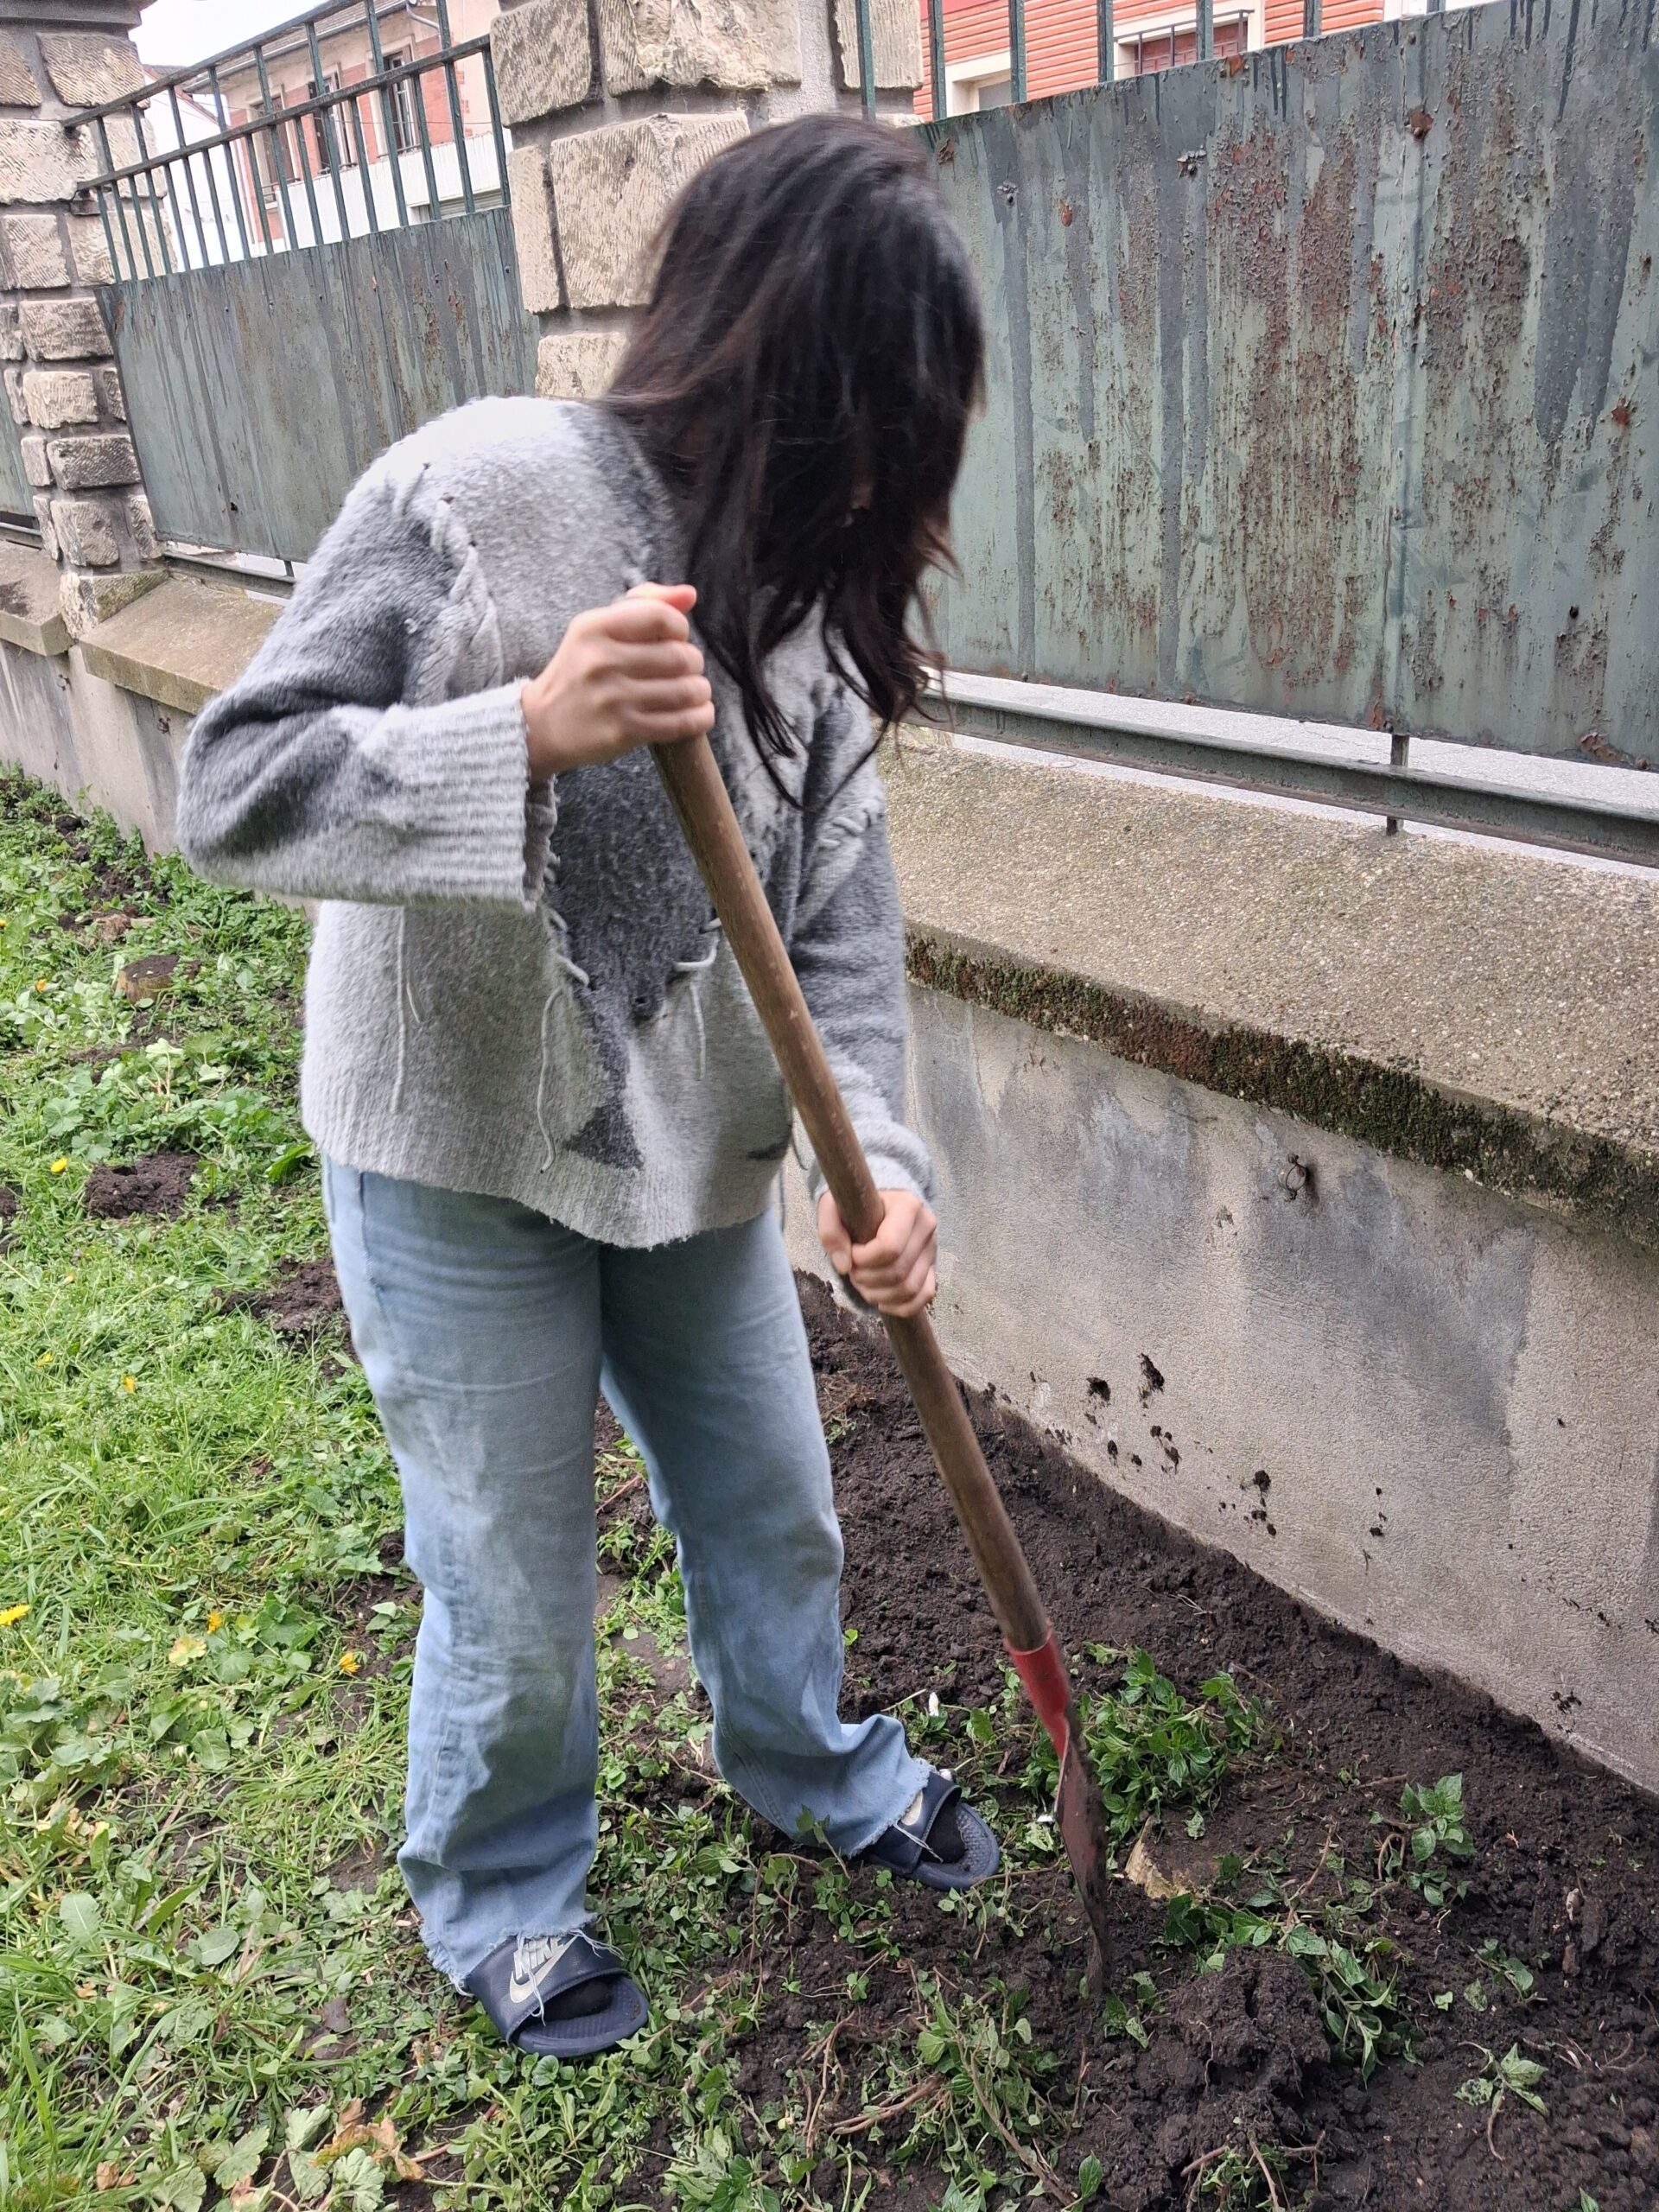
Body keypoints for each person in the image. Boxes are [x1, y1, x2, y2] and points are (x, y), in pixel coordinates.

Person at [175, 112, 995, 2062]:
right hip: (454, 1151)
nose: (896, 466)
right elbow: (232, 783)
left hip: (685, 1170)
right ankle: (503, 1888)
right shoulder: (480, 489)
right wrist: (517, 735)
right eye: (878, 405)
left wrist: (875, 1159)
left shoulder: (813, 616)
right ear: (778, 359)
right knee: (511, 1573)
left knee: (776, 1504)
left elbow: (845, 956)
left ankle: (805, 1759)